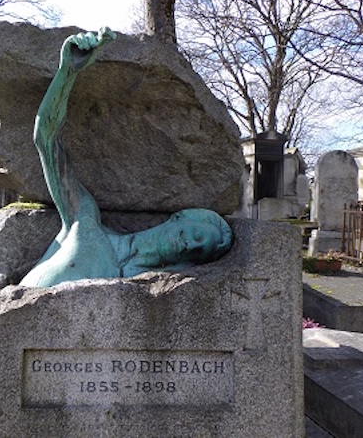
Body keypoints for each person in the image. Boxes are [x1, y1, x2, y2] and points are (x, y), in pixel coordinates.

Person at [20, 28, 232, 288]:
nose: (190, 245)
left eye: (199, 252)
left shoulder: (142, 290)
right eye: (197, 235)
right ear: (179, 216)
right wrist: (67, 72)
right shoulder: (84, 220)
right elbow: (46, 138)